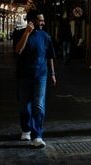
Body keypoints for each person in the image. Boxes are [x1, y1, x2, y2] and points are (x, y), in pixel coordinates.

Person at [13, 9, 56, 148]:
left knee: (38, 105)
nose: (43, 23)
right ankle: (26, 129)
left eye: (43, 20)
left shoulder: (45, 36)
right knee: (24, 106)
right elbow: (18, 50)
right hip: (23, 75)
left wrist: (53, 74)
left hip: (41, 75)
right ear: (31, 21)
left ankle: (38, 135)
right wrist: (27, 33)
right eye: (40, 20)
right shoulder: (19, 33)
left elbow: (49, 56)